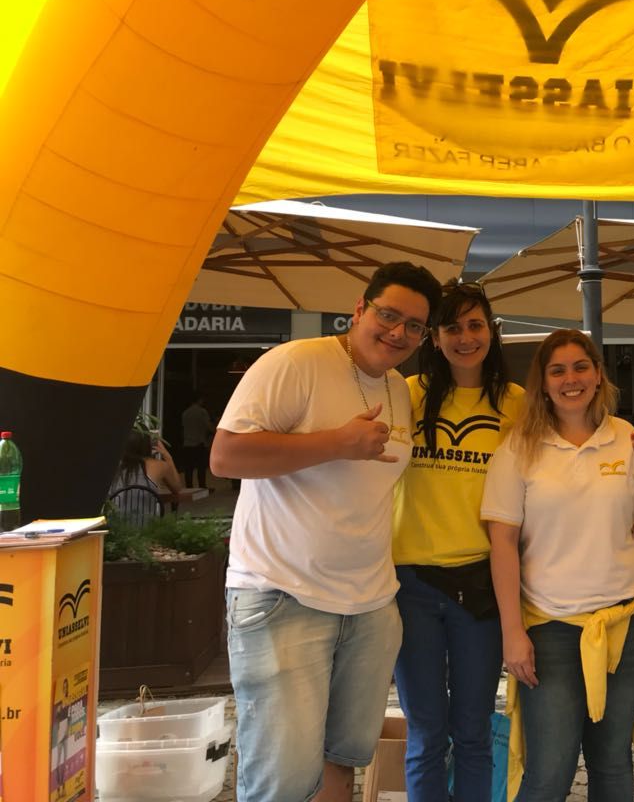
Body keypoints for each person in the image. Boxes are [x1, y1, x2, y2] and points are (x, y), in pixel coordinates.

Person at [210, 261, 441, 802]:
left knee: (344, 759)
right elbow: (226, 455)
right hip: (282, 595)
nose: (399, 332)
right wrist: (336, 443)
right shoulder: (295, 362)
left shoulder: (397, 388)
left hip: (370, 604)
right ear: (359, 309)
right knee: (282, 782)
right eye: (389, 315)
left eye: (414, 326)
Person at [482, 329, 634, 802]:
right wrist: (512, 632)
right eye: (558, 371)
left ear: (598, 374)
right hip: (550, 627)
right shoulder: (518, 449)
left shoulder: (627, 440)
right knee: (550, 771)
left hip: (626, 624)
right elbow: (502, 543)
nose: (571, 379)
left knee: (613, 763)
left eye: (581, 367)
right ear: (543, 383)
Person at [392, 281, 523, 802]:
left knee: (472, 729)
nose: (465, 338)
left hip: (483, 584)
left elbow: (566, 455)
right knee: (426, 732)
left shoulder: (517, 403)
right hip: (410, 583)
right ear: (434, 337)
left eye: (475, 325)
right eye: (452, 327)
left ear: (491, 330)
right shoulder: (405, 393)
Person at [107, 429, 183, 519]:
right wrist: (168, 457)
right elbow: (177, 487)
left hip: (115, 525)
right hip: (147, 526)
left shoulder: (110, 466)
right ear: (147, 445)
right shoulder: (158, 466)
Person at [181, 395, 214, 488]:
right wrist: (215, 431)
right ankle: (202, 487)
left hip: (187, 443)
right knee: (201, 468)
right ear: (199, 400)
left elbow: (183, 428)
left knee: (188, 468)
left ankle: (189, 487)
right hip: (199, 443)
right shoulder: (202, 412)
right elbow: (208, 425)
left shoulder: (185, 413)